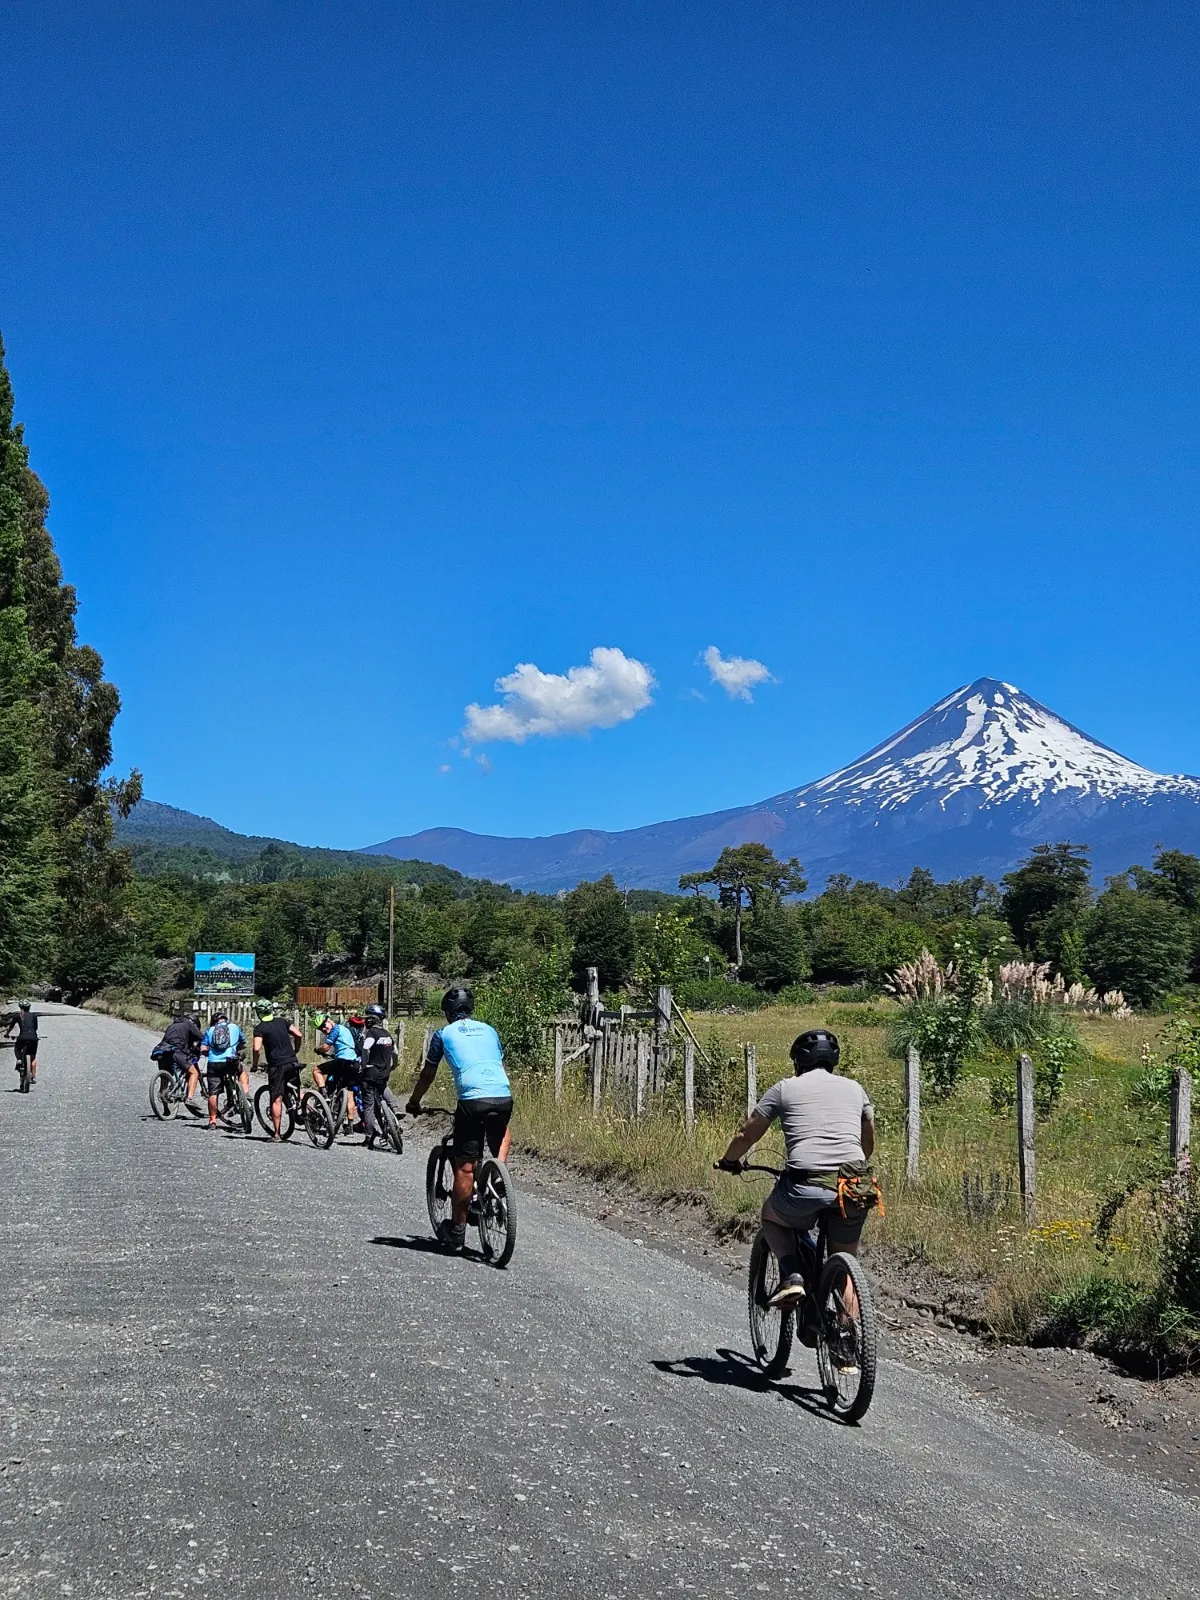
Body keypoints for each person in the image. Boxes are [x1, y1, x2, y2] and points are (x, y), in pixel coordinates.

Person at [717, 1029, 876, 1312]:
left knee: (773, 1217)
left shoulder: (784, 1088)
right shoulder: (856, 1088)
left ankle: (791, 1276)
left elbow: (747, 1135)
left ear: (798, 1062)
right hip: (854, 1185)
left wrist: (729, 1160)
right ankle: (849, 1350)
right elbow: (868, 1142)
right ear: (833, 1060)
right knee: (845, 1268)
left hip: (805, 1184)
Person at [406, 986, 511, 1253]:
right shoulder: (490, 1030)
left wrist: (414, 1101)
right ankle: (497, 1179)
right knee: (502, 1130)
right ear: (471, 1009)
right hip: (502, 1096)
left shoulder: (443, 1034)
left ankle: (457, 1233)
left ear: (448, 1012)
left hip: (472, 1102)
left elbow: (428, 1074)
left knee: (465, 1168)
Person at [252, 999, 304, 1141]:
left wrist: (255, 1065)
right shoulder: (282, 1021)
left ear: (258, 1013)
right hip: (292, 1061)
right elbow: (298, 1034)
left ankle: (276, 1134)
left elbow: (256, 1049)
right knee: (297, 1089)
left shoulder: (260, 1028)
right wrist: (296, 1050)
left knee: (276, 1098)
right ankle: (309, 1111)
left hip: (277, 1065)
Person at [197, 1010, 246, 1129]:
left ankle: (212, 1121)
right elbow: (243, 1043)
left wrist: (207, 1052)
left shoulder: (210, 1030)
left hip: (214, 1063)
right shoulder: (234, 1027)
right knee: (242, 1071)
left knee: (213, 1093)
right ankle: (245, 1094)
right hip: (230, 1060)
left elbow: (203, 1047)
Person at [314, 1014, 363, 1132]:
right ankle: (350, 1125)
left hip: (343, 1061)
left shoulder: (336, 1029)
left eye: (324, 1026)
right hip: (354, 1063)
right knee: (349, 1094)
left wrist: (317, 1049)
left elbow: (326, 1047)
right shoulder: (346, 1030)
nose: (324, 1030)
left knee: (316, 1070)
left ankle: (324, 1095)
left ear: (329, 1021)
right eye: (321, 1029)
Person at [357, 1004, 396, 1149]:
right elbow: (395, 1053)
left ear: (370, 1021)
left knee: (368, 1106)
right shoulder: (387, 1034)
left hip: (371, 1073)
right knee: (382, 1088)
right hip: (384, 1073)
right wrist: (393, 1066)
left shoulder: (371, 1033)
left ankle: (369, 1137)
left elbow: (366, 1049)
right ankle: (395, 1110)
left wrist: (364, 1065)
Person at [157, 1009, 203, 1106]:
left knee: (165, 1077)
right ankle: (189, 1098)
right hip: (176, 1052)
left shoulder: (172, 1025)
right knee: (194, 1073)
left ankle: (164, 1102)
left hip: (162, 1051)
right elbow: (202, 1037)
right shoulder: (189, 1024)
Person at [12, 1002, 39, 1087]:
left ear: (21, 1007)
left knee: (17, 1049)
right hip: (33, 1037)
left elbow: (11, 1026)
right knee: (33, 1056)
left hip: (22, 1037)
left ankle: (19, 1059)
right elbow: (36, 1027)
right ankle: (33, 1077)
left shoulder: (18, 1016)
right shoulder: (34, 1016)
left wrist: (7, 1033)